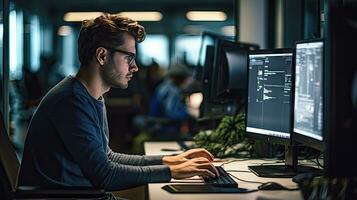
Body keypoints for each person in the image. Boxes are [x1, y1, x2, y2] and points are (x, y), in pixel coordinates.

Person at [17, 13, 218, 194]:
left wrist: (171, 159)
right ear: (102, 56)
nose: (136, 67)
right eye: (129, 57)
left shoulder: (90, 96)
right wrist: (171, 171)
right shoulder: (71, 100)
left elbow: (107, 157)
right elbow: (105, 175)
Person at [148, 63, 192, 138]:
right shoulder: (171, 90)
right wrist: (188, 114)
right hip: (164, 128)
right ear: (178, 78)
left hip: (163, 125)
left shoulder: (165, 86)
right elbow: (171, 113)